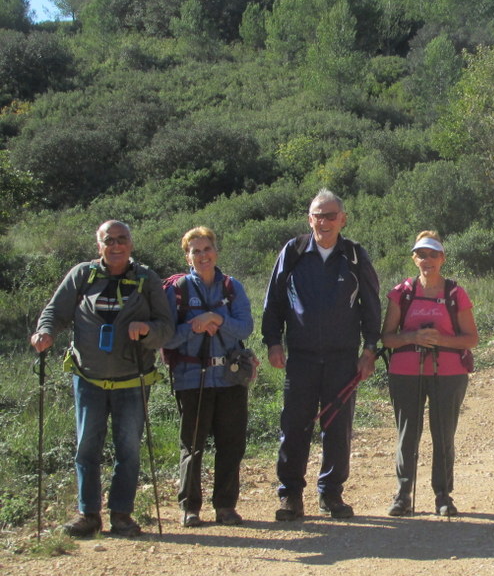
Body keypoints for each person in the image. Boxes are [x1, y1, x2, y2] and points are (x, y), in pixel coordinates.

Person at [30, 220, 174, 538]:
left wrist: (148, 330)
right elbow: (55, 311)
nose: (116, 245)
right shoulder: (83, 275)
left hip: (132, 381)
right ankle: (88, 515)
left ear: (131, 244)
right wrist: (45, 332)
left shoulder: (147, 279)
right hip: (88, 379)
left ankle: (121, 515)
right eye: (109, 240)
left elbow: (166, 328)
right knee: (86, 448)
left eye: (122, 239)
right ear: (99, 245)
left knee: (128, 450)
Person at [262, 189, 381, 521]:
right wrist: (273, 342)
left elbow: (371, 305)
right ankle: (290, 497)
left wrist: (369, 349)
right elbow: (274, 301)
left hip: (344, 359)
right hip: (300, 357)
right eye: (318, 215)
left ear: (343, 219)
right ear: (309, 218)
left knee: (338, 429)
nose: (324, 222)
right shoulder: (294, 252)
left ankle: (331, 495)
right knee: (294, 426)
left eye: (331, 216)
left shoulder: (355, 255)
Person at [381, 231, 479, 517]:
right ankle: (403, 494)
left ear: (442, 258)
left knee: (443, 433)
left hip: (449, 373)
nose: (427, 260)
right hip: (405, 372)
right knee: (407, 433)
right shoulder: (402, 293)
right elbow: (387, 337)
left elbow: (471, 338)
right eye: (422, 255)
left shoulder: (455, 293)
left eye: (433, 255)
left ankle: (443, 495)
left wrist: (438, 341)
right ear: (414, 259)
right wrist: (413, 337)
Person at [164, 227, 254, 527]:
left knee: (232, 443)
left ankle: (225, 506)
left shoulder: (232, 288)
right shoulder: (176, 291)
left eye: (207, 249)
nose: (203, 256)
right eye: (196, 251)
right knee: (193, 445)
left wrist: (216, 319)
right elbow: (167, 337)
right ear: (187, 256)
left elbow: (245, 329)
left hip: (229, 378)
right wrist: (194, 325)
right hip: (192, 377)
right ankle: (190, 507)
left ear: (216, 250)